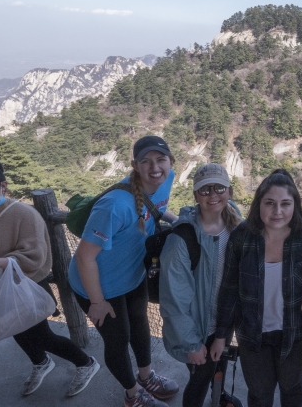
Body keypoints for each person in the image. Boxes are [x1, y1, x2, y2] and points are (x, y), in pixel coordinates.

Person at [0, 158, 100, 397]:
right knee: (13, 329)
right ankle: (40, 362)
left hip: (23, 287)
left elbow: (36, 256)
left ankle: (86, 363)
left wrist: (3, 262)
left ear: (2, 186)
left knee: (43, 336)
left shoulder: (24, 215)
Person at [69, 135, 180, 407]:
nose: (155, 167)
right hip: (98, 285)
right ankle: (133, 395)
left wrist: (178, 222)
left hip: (132, 276)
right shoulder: (115, 205)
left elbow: (155, 209)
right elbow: (85, 257)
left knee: (140, 326)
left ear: (171, 162)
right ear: (135, 165)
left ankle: (146, 377)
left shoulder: (167, 178)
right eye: (146, 161)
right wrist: (96, 302)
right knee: (118, 341)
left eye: (160, 159)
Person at [212, 169, 302, 407]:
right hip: (252, 331)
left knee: (291, 385)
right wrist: (221, 335)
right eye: (270, 203)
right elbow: (229, 289)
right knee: (258, 391)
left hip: (297, 330)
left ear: (295, 205)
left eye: (285, 203)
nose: (278, 212)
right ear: (259, 205)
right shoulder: (242, 237)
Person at [159, 163, 243, 407]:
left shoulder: (233, 219)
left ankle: (219, 395)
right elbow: (174, 301)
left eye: (219, 188)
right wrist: (191, 344)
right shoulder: (181, 241)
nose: (213, 195)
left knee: (220, 361)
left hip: (223, 321)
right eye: (205, 190)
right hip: (197, 329)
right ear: (195, 195)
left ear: (229, 191)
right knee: (199, 380)